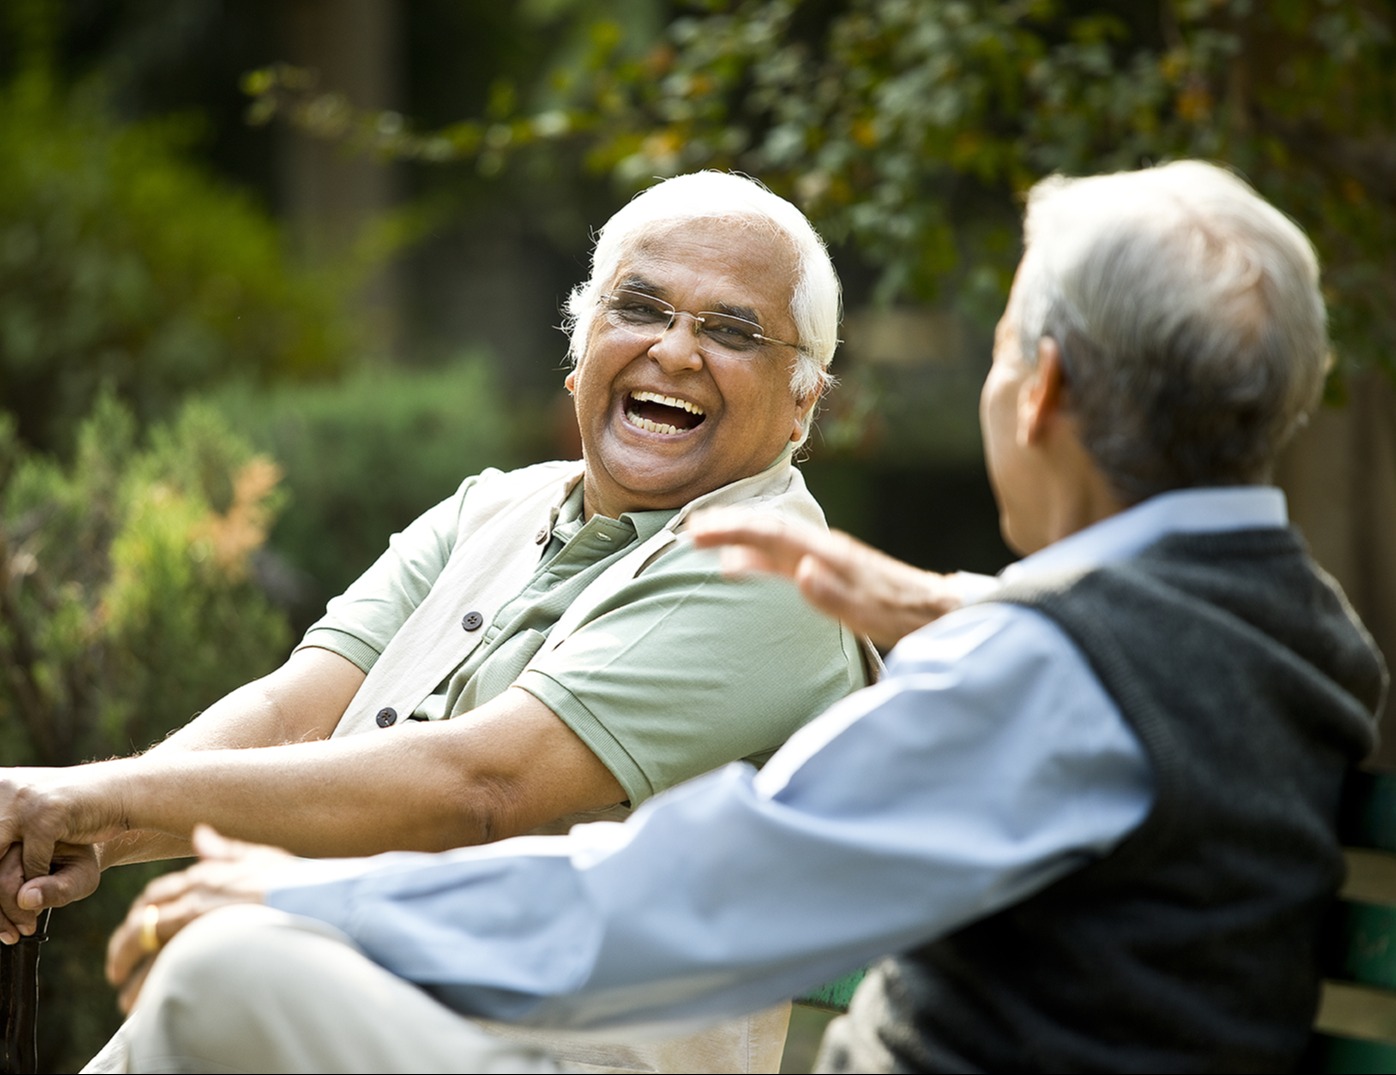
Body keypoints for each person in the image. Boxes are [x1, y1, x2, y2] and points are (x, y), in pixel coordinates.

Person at [104, 159, 1385, 1074]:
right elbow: (1129, 681)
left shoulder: (1052, 677)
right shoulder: (1298, 634)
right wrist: (963, 607)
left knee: (231, 972)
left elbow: (687, 898)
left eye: (997, 348)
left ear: (1037, 387)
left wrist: (309, 899)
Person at [0, 170, 874, 1074]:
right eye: (641, 308)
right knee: (218, 965)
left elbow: (482, 787)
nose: (676, 351)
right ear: (582, 348)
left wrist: (91, 799)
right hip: (359, 1008)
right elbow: (288, 714)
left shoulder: (772, 568)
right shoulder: (489, 508)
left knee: (223, 966)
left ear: (804, 402)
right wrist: (65, 828)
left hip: (564, 1055)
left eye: (731, 330)